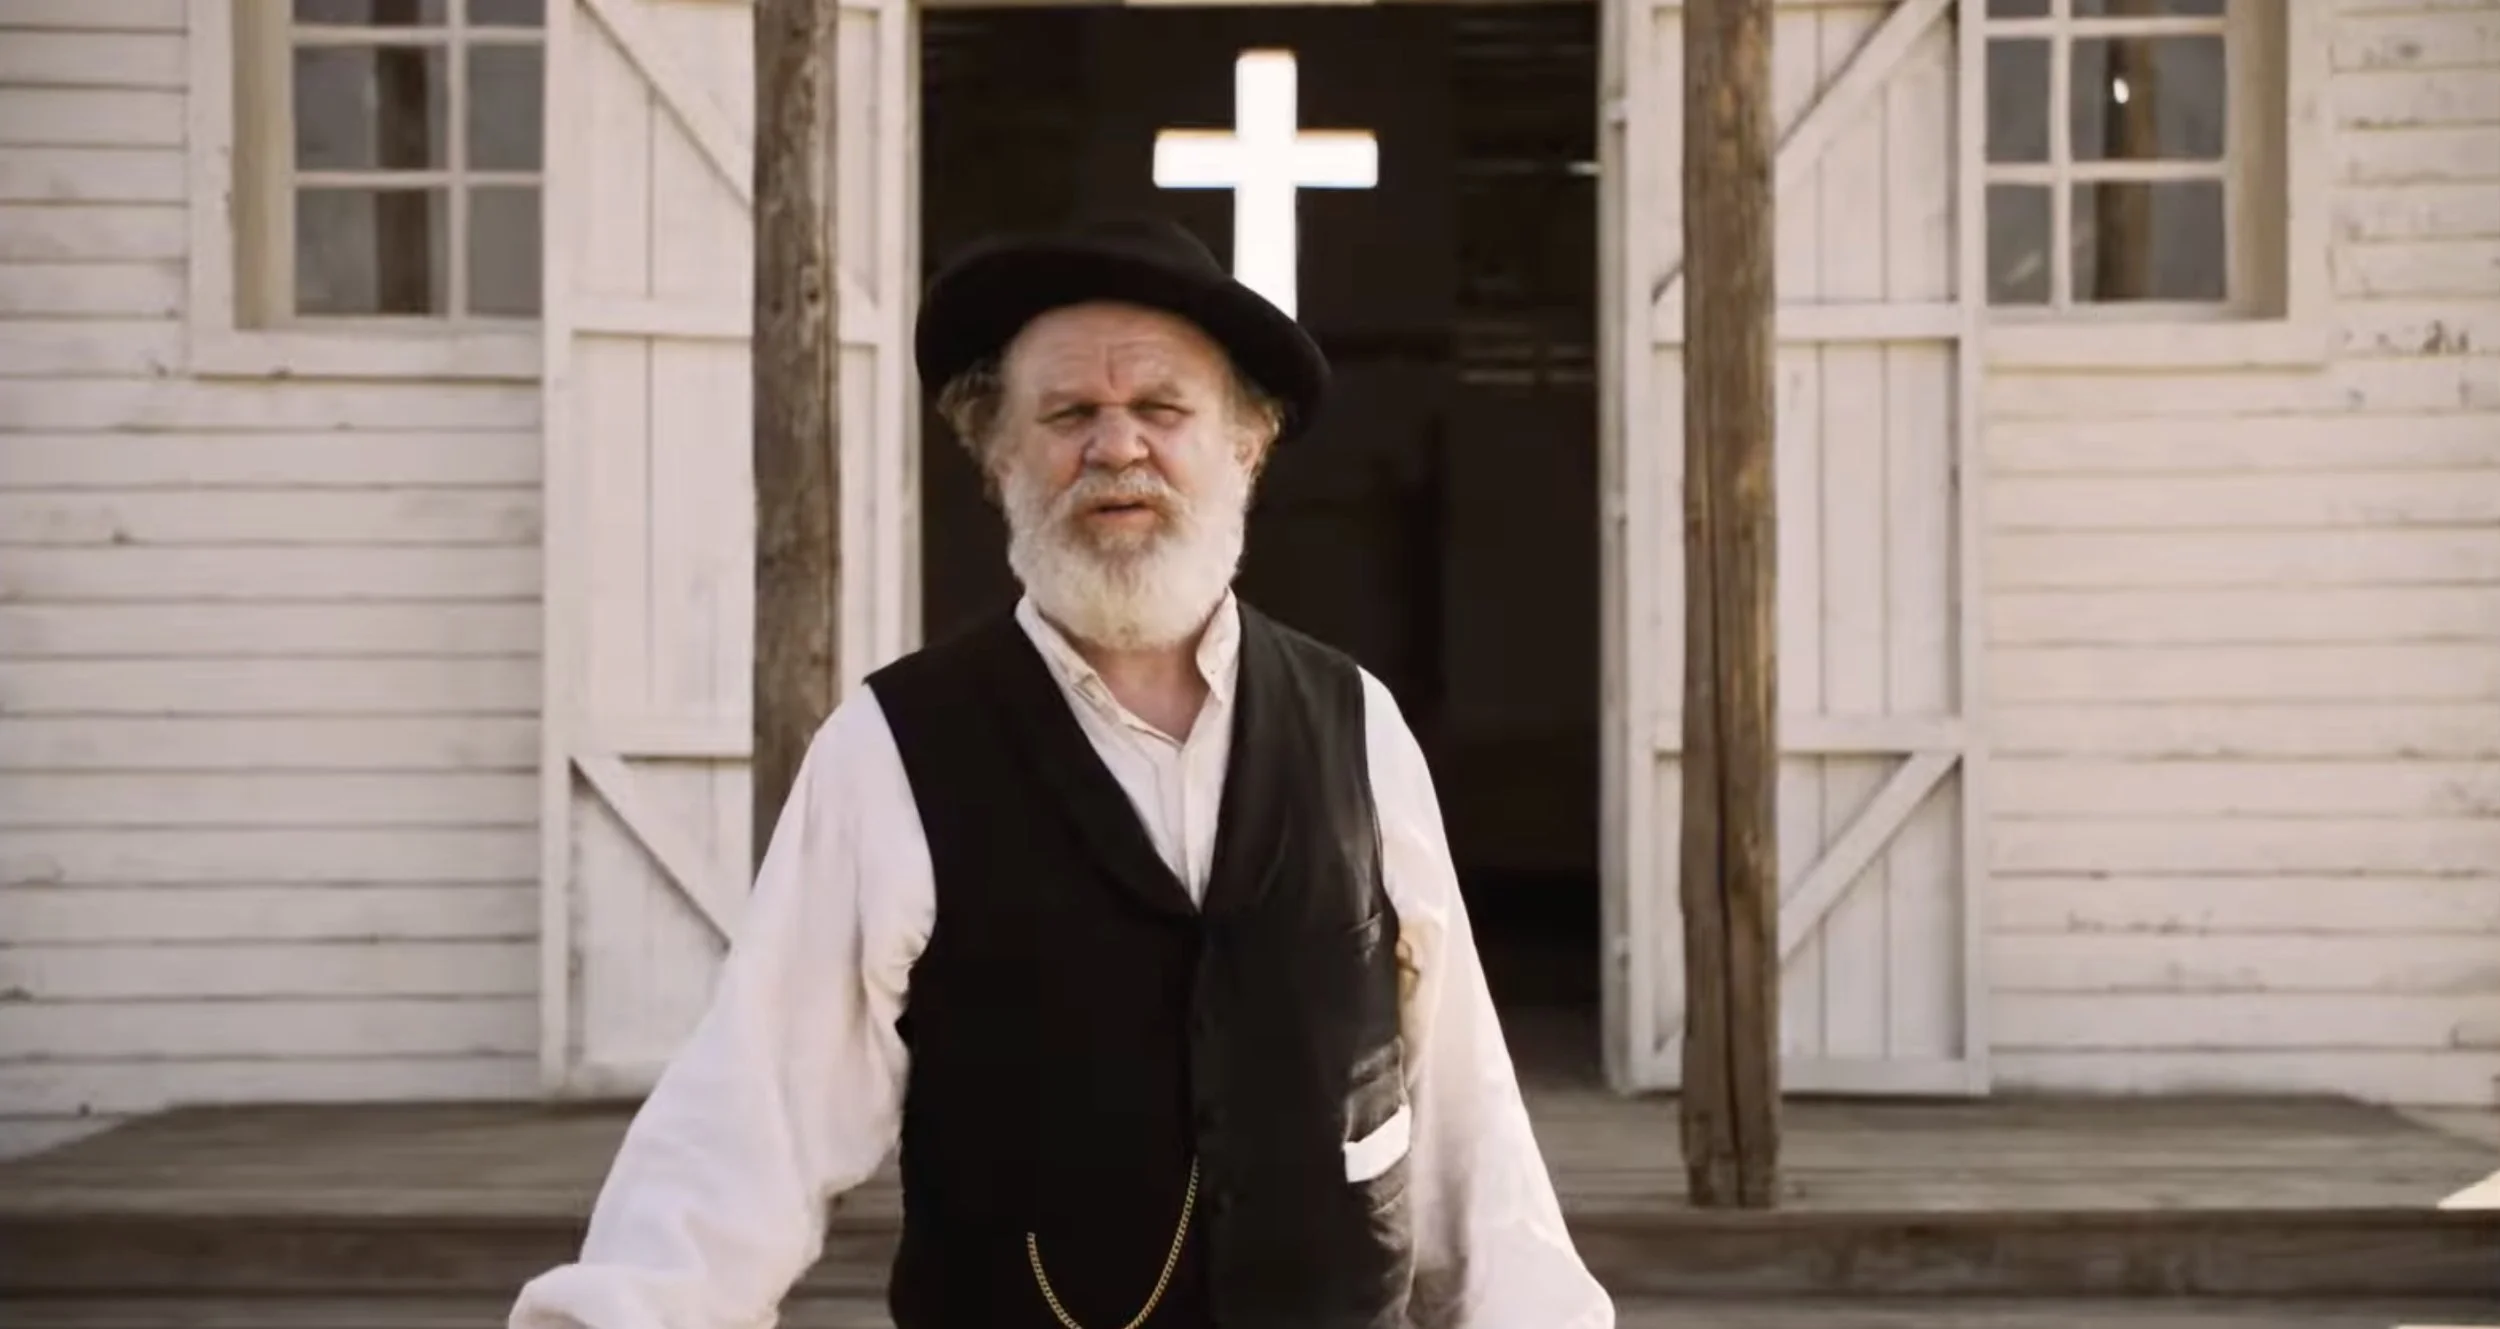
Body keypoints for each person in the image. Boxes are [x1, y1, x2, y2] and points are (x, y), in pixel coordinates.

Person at [507, 216, 1613, 1329]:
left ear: (1246, 445)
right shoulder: (894, 748)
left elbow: (1460, 1109)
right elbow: (752, 1117)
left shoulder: (1356, 723)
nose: (1116, 447)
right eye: (1068, 414)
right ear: (998, 458)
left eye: (1162, 409)